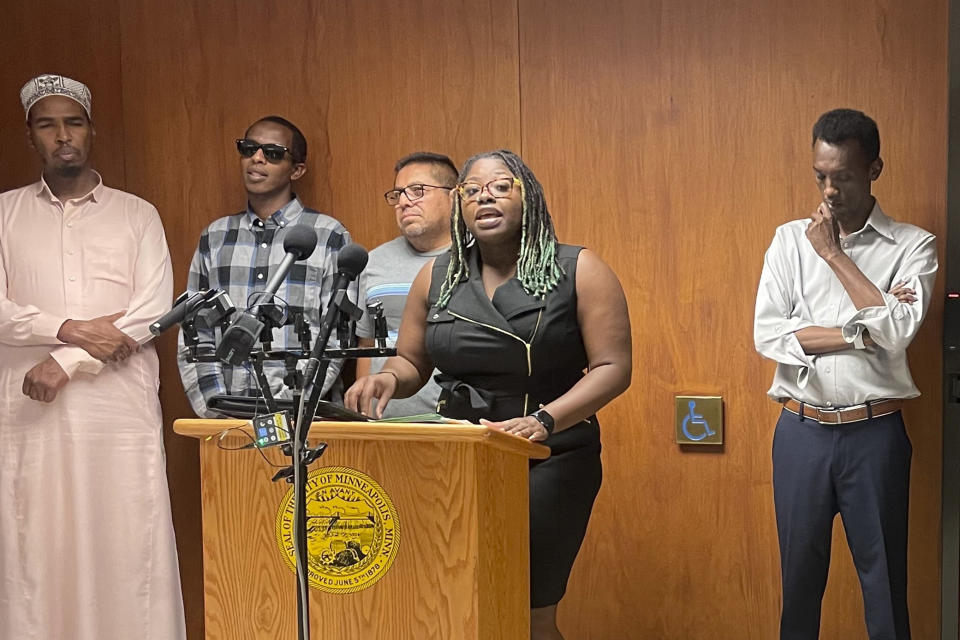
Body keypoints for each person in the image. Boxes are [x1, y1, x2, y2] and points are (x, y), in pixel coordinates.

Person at [345, 150, 632, 639]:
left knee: (527, 610)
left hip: (548, 452)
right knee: (453, 598)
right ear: (460, 206)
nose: (485, 197)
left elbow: (613, 368)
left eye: (501, 186)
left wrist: (544, 420)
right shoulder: (437, 276)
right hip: (458, 454)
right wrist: (387, 379)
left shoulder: (578, 268)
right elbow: (413, 360)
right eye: (473, 190)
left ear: (530, 197)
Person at [0, 74, 185, 639]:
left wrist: (64, 360)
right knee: (35, 545)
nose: (62, 136)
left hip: (116, 413)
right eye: (47, 124)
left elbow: (151, 312)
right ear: (30, 135)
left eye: (73, 122)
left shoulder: (137, 214)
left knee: (127, 536)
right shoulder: (3, 213)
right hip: (29, 412)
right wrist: (69, 328)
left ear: (92, 131)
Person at [754, 108, 938, 639]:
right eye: (820, 177)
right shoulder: (787, 241)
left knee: (884, 591)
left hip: (875, 435)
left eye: (844, 177)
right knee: (799, 589)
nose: (829, 191)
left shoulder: (913, 246)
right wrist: (866, 327)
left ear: (875, 169)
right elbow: (770, 336)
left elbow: (899, 334)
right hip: (800, 433)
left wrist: (834, 256)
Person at [177, 116, 352, 416]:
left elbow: (335, 335)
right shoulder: (216, 236)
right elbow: (195, 331)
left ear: (296, 170)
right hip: (225, 421)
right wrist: (218, 408)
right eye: (249, 149)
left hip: (302, 419)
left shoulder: (327, 235)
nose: (257, 158)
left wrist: (285, 406)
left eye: (272, 153)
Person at [354, 151, 455, 418]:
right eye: (398, 194)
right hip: (385, 421)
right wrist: (364, 412)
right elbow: (366, 345)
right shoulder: (372, 261)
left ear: (453, 197)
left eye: (417, 191)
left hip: (456, 424)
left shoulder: (477, 261)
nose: (404, 202)